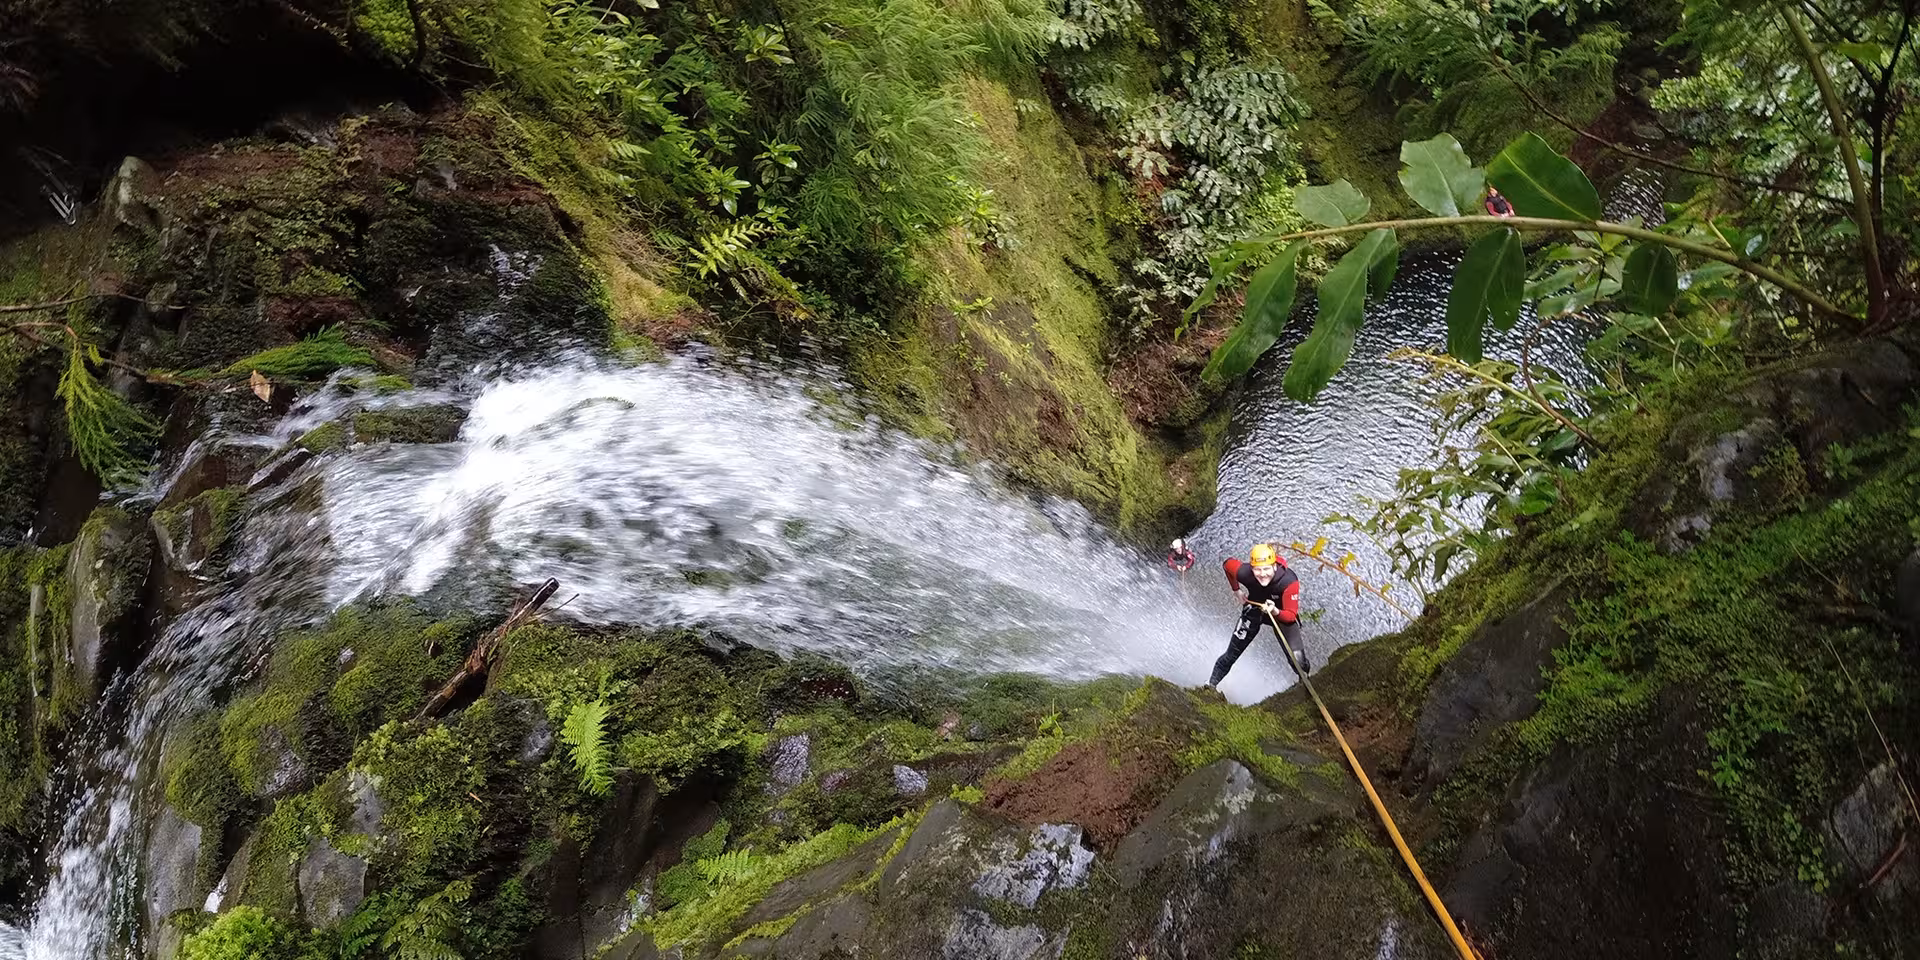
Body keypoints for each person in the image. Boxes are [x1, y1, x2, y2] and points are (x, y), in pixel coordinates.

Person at [1205, 543, 1308, 688]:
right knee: (1231, 654)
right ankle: (1211, 685)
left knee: (1298, 660)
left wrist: (1275, 611)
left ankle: (1304, 681)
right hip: (1254, 608)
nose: (1262, 574)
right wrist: (1237, 591)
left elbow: (1291, 615)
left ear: (1274, 566)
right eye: (1257, 570)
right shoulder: (1245, 572)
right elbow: (1227, 565)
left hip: (1281, 614)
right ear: (1252, 568)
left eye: (1266, 569)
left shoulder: (1288, 581)